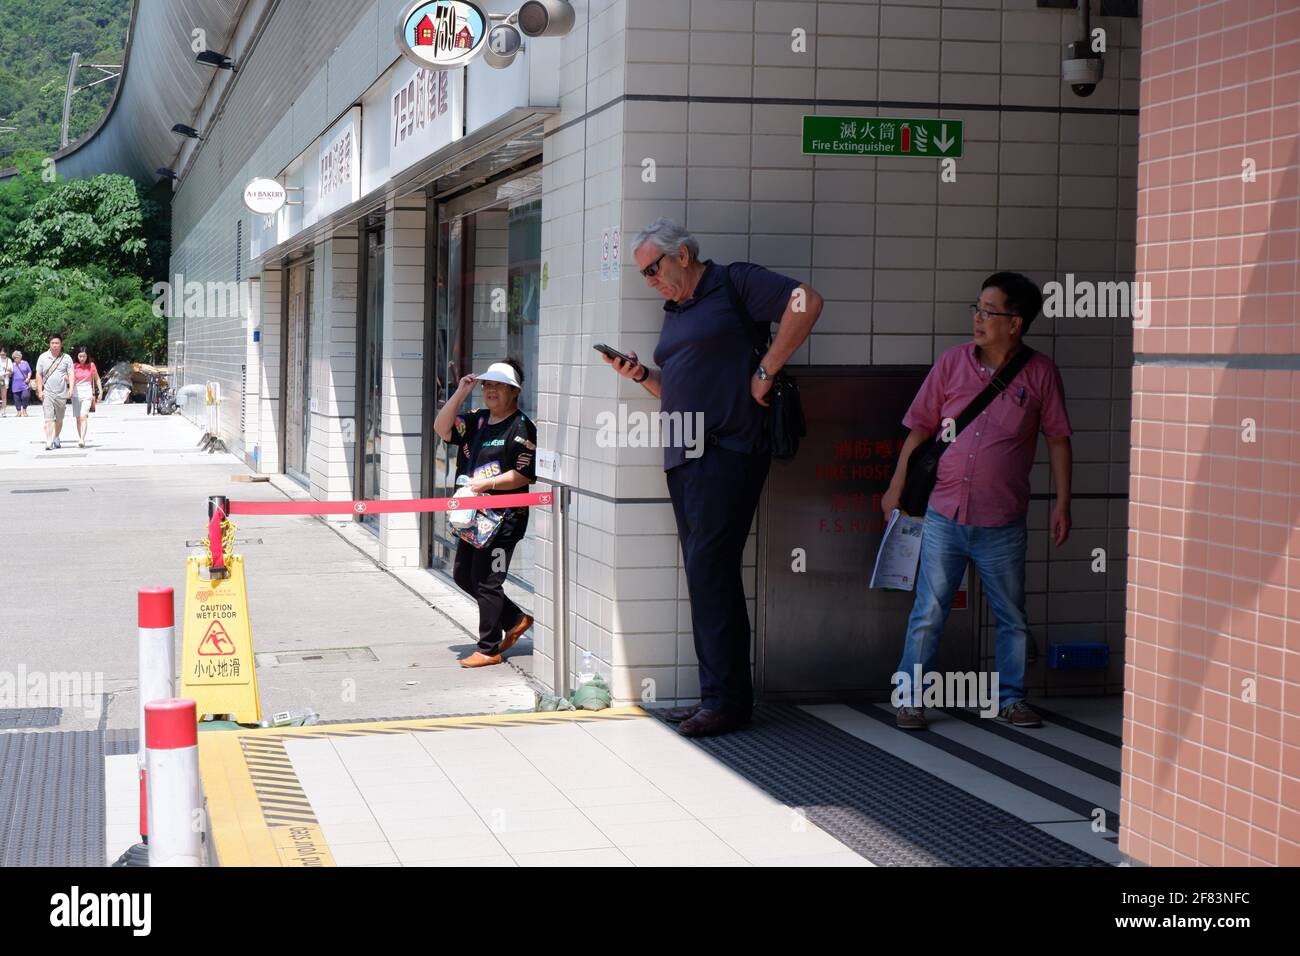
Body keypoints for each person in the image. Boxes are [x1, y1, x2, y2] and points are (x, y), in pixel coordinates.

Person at [603, 218, 824, 738]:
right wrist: (640, 376)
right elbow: (681, 389)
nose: (650, 280)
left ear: (683, 255)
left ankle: (726, 701)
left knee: (710, 570)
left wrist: (765, 371)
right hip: (686, 455)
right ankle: (719, 696)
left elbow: (807, 301)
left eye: (653, 268)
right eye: (643, 275)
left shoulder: (733, 282)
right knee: (706, 575)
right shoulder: (678, 310)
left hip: (728, 449)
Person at [882, 272, 1073, 730]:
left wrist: (1063, 503)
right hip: (944, 512)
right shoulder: (952, 363)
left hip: (1002, 519)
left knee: (1011, 615)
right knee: (929, 609)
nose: (979, 319)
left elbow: (1059, 440)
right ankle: (909, 698)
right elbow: (921, 429)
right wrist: (896, 484)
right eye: (978, 309)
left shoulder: (1041, 372)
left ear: (1016, 323)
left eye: (990, 312)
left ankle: (1010, 699)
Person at [433, 359, 537, 668]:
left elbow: (525, 476)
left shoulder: (521, 427)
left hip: (506, 518)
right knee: (463, 575)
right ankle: (515, 619)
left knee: (487, 580)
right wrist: (461, 393)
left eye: (498, 386)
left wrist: (486, 484)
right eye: (487, 385)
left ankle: (489, 647)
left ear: (513, 391)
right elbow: (442, 428)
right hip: (474, 518)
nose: (491, 391)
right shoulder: (476, 420)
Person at [34, 334, 74, 450]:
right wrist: (40, 391)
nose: (55, 345)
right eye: (53, 343)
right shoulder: (42, 357)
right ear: (49, 344)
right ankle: (48, 440)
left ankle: (56, 436)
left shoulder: (66, 358)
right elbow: (38, 374)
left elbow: (71, 374)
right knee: (48, 419)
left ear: (61, 345)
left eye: (57, 343)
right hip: (48, 393)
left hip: (61, 393)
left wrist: (70, 389)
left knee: (59, 419)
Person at [69, 346, 103, 447]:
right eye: (80, 356)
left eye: (84, 356)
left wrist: (100, 391)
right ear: (77, 356)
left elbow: (97, 379)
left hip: (87, 393)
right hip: (75, 394)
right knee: (78, 418)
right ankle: (80, 438)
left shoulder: (91, 365)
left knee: (83, 416)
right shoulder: (74, 366)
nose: (82, 358)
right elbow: (69, 379)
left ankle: (82, 439)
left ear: (87, 356)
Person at [9, 350, 32, 417]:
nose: (17, 358)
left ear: (20, 357)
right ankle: (18, 411)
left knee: (25, 396)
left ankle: (24, 410)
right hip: (15, 385)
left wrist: (28, 378)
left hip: (24, 384)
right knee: (17, 399)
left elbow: (29, 371)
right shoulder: (12, 365)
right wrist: (9, 373)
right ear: (13, 358)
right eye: (15, 357)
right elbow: (10, 375)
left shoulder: (25, 363)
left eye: (18, 357)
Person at [0, 348, 11, 417]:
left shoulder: (8, 360)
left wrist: (3, 374)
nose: (2, 355)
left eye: (3, 354)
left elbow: (10, 371)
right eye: (0, 354)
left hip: (4, 380)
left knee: (4, 396)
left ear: (6, 353)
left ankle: (3, 411)